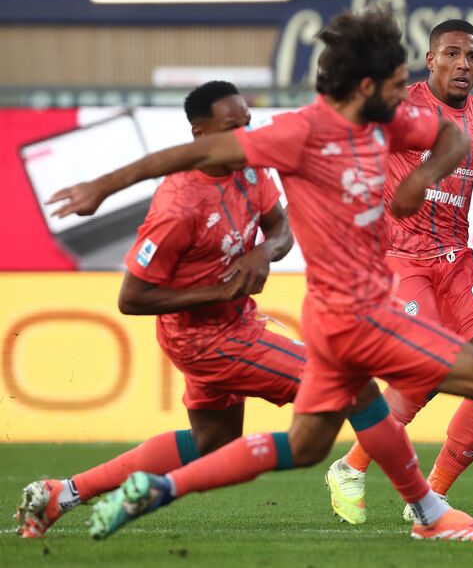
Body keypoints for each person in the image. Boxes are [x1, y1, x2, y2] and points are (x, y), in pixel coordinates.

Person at [47, 10, 473, 543]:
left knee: (306, 445)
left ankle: (162, 488)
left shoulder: (393, 120)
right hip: (361, 314)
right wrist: (102, 186)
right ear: (366, 87)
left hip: (343, 321)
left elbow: (451, 141)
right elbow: (196, 151)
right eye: (397, 83)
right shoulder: (297, 135)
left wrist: (419, 178)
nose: (408, 95)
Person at [15, 81, 300, 539]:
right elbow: (131, 299)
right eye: (233, 127)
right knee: (337, 387)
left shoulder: (250, 170)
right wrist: (217, 292)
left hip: (233, 322)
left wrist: (264, 253)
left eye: (248, 124)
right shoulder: (177, 205)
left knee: (213, 443)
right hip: (204, 339)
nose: (246, 136)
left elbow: (282, 228)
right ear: (200, 134)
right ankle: (425, 505)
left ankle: (61, 493)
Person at [324, 19, 473, 524]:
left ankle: (429, 498)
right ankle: (351, 468)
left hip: (455, 259)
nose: (464, 64)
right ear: (430, 58)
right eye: (452, 54)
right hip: (398, 256)